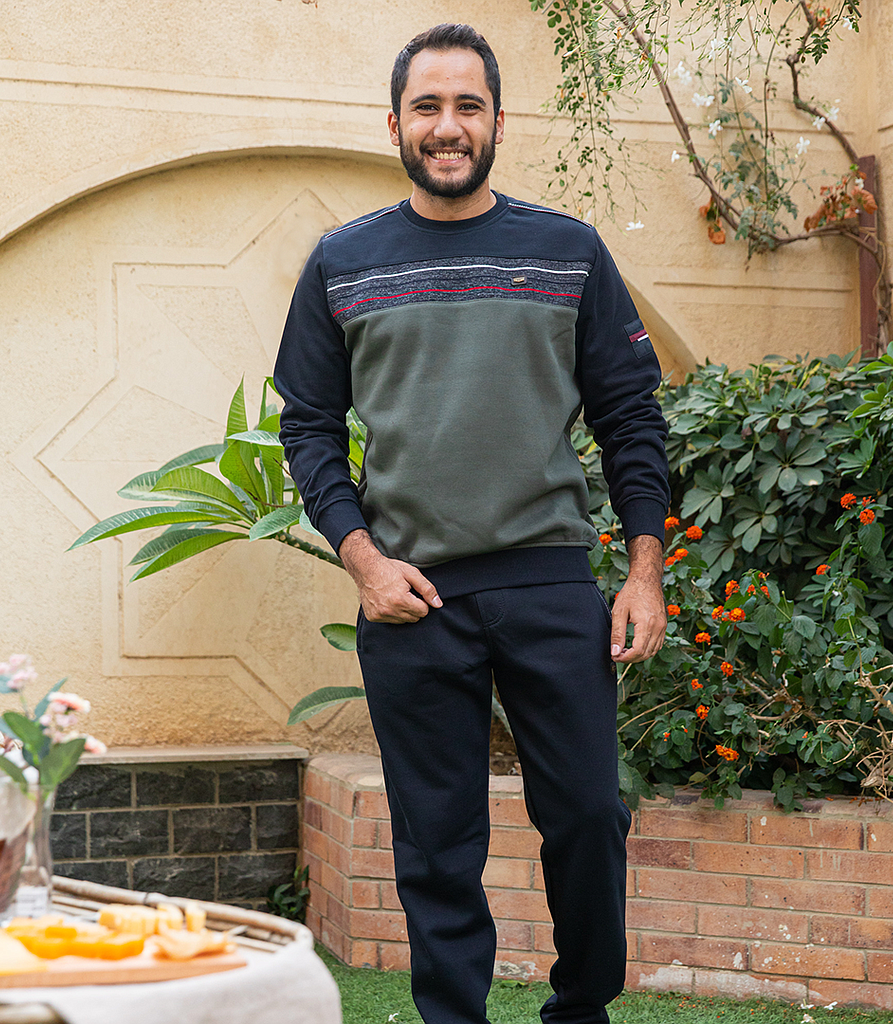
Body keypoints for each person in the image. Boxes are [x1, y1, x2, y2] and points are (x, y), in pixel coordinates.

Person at [274, 23, 670, 1024]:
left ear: (498, 121)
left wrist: (643, 573)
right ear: (395, 124)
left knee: (589, 815)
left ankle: (581, 1011)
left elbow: (630, 418)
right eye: (427, 107)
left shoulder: (568, 251)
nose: (447, 126)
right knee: (437, 843)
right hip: (411, 594)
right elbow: (310, 428)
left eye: (467, 106)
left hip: (548, 582)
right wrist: (363, 561)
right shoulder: (341, 263)